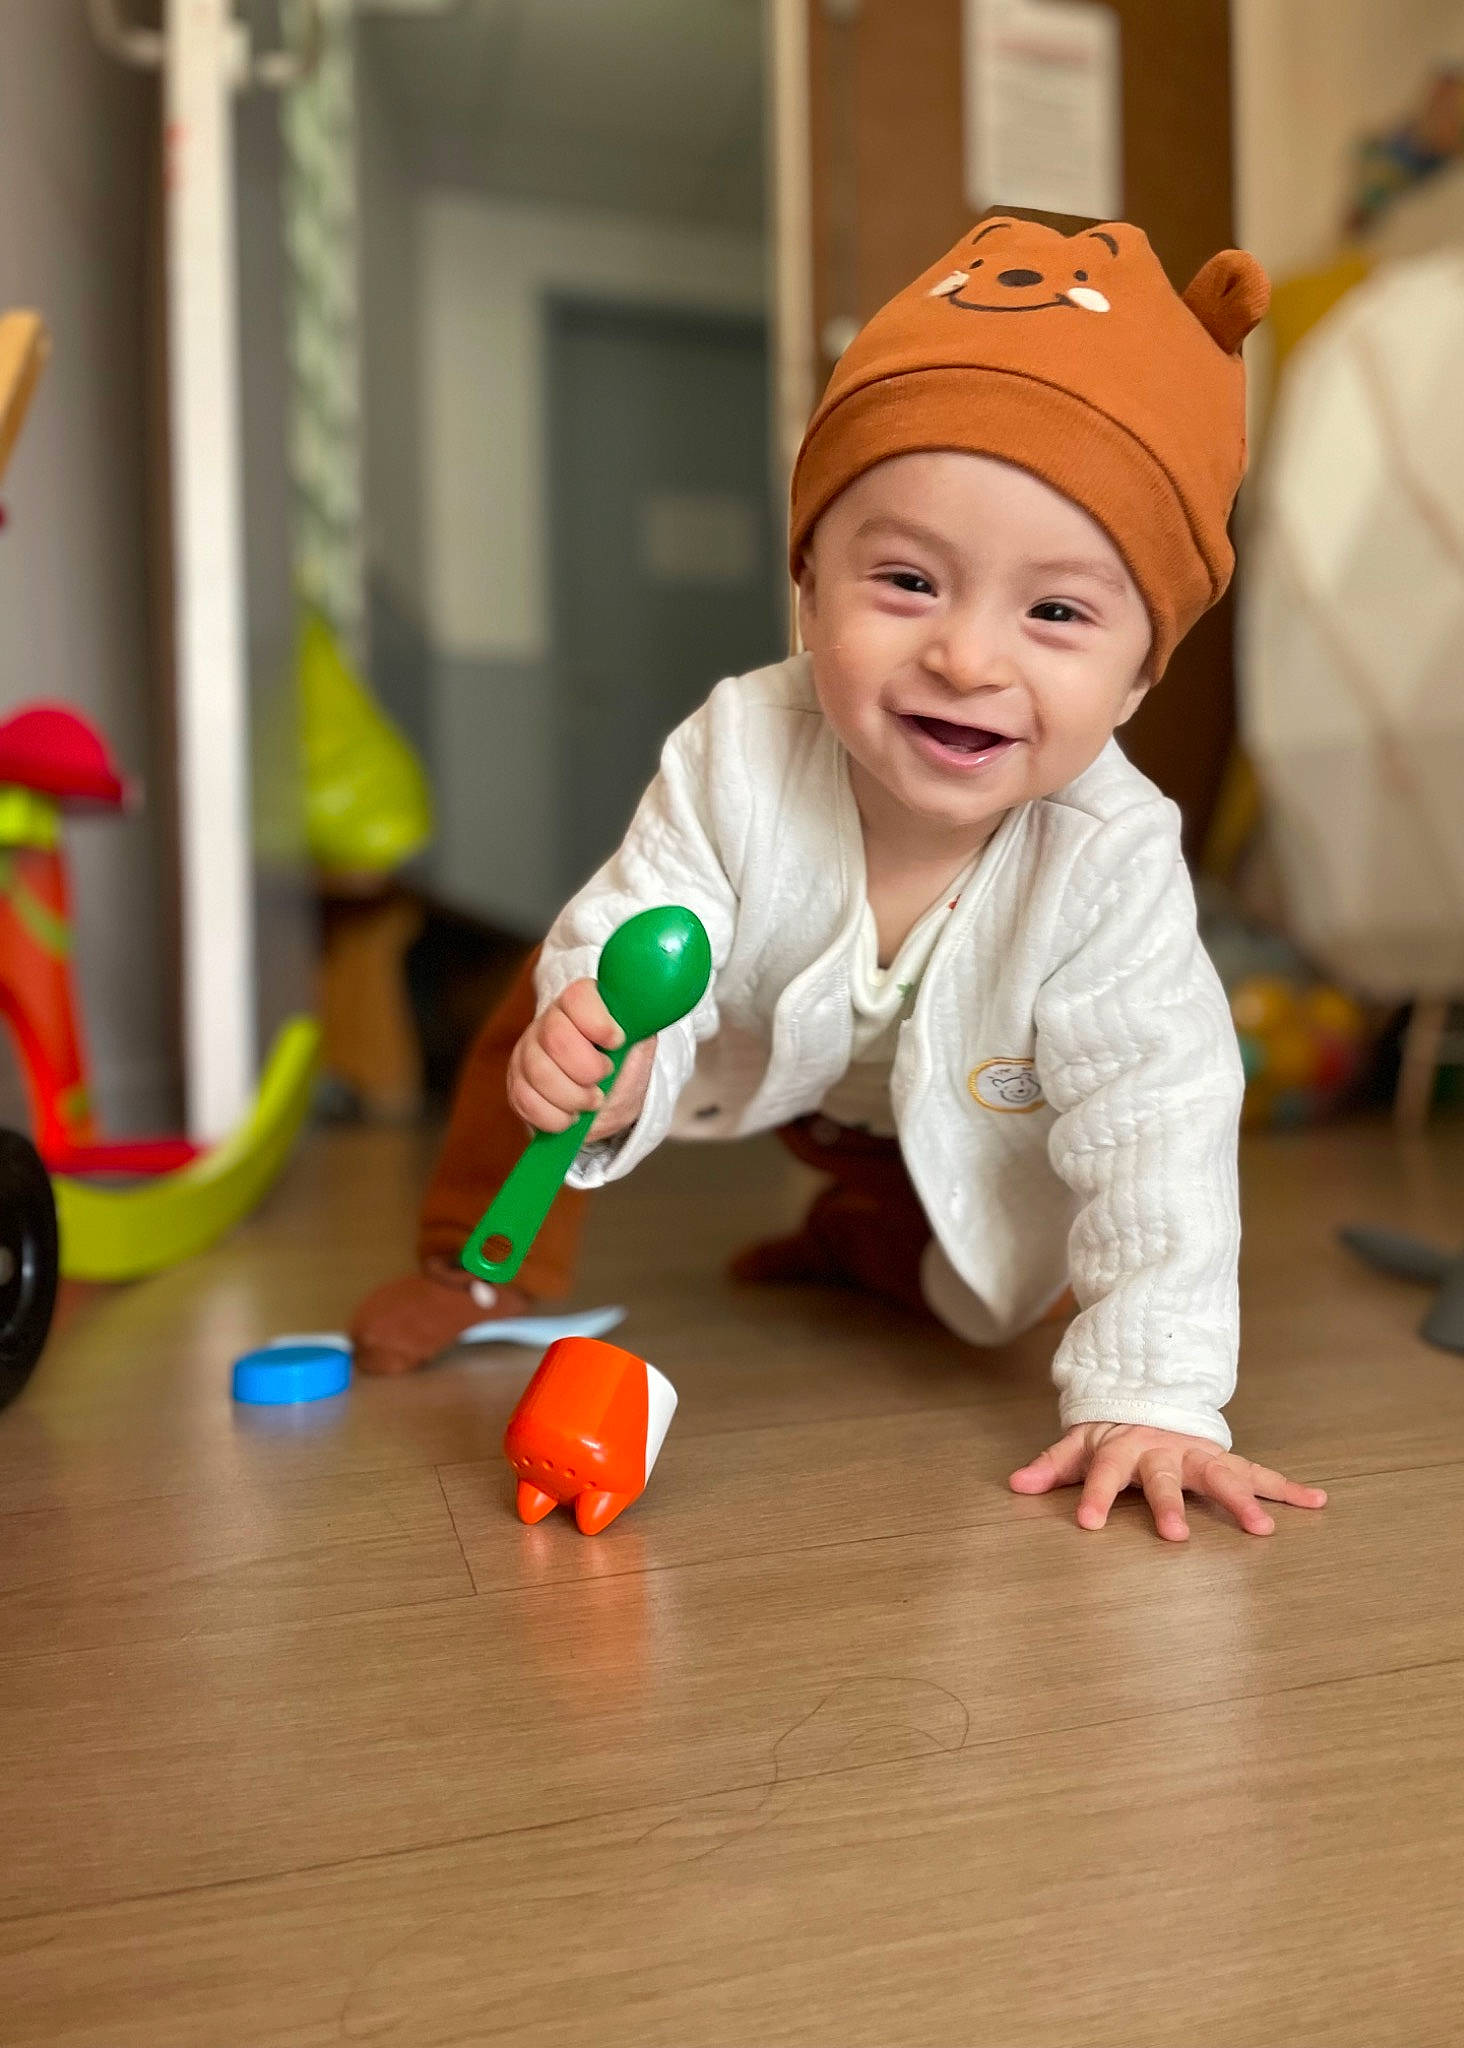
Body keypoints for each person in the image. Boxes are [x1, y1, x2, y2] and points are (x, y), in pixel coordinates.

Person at [350, 214, 1328, 1544]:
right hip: (757, 1050)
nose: (970, 659)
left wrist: (1152, 1394)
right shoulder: (746, 745)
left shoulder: (1116, 857)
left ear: (1141, 672)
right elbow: (654, 915)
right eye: (909, 582)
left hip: (972, 1116)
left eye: (1057, 613)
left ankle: (870, 1256)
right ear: (810, 581)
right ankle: (485, 1270)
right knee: (551, 1001)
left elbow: (1157, 1124)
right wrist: (615, 1050)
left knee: (1028, 1272)